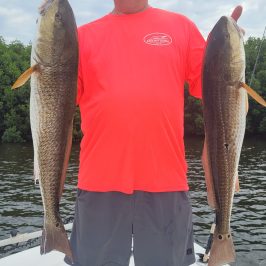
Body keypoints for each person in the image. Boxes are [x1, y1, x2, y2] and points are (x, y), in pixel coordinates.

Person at [65, 1, 242, 265]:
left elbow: (217, 88)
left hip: (166, 182)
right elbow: (56, 101)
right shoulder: (80, 38)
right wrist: (50, 34)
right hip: (98, 182)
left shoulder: (181, 27)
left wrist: (231, 48)